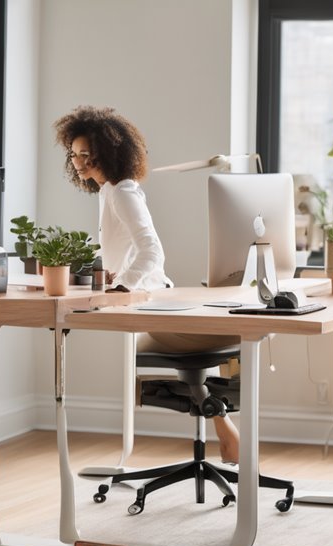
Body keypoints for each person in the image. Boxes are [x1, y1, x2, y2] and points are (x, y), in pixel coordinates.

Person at [53, 105, 241, 463]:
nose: (78, 162)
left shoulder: (122, 191)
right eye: (74, 154)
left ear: (107, 152)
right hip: (146, 303)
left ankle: (222, 426)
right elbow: (122, 246)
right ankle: (222, 426)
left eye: (86, 154)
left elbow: (151, 251)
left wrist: (122, 286)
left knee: (142, 358)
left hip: (152, 305)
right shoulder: (110, 191)